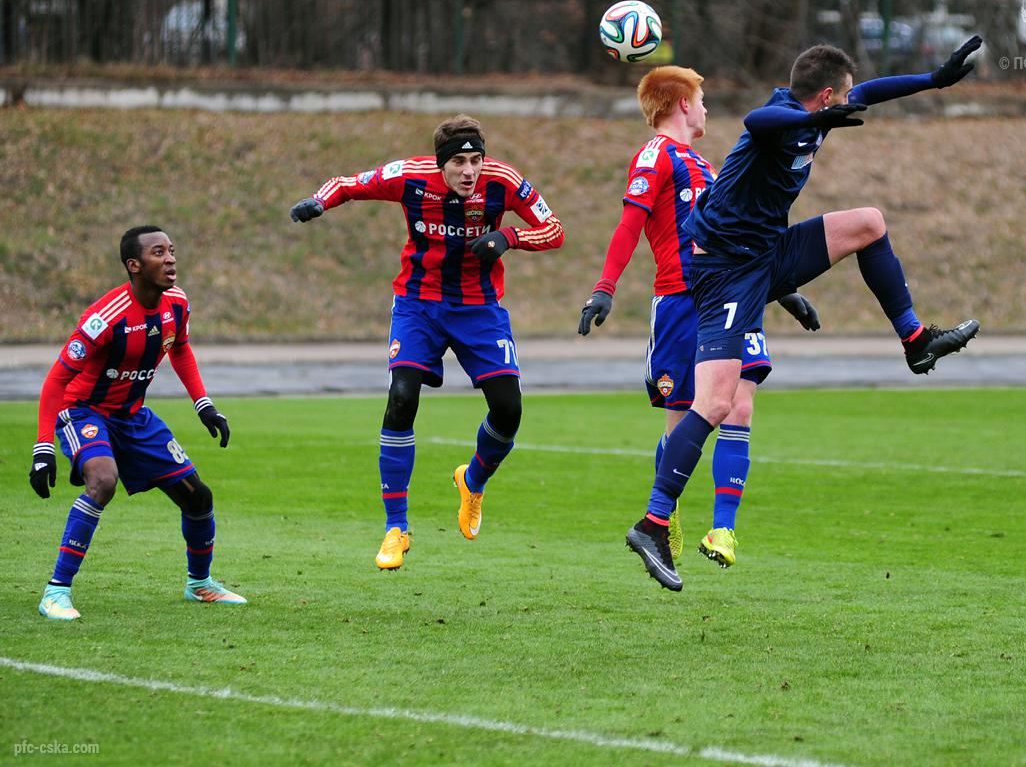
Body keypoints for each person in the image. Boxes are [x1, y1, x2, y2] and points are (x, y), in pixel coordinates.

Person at [626, 38, 985, 591]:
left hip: (767, 254)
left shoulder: (823, 108)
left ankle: (915, 340)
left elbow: (871, 91)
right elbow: (758, 120)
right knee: (717, 402)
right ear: (825, 96)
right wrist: (817, 119)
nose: (851, 101)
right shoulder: (781, 117)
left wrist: (934, 79)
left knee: (868, 223)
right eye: (843, 97)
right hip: (724, 269)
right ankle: (653, 523)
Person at [290, 114, 565, 570]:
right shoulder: (410, 177)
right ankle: (396, 528)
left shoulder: (503, 181)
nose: (469, 171)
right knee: (401, 397)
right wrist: (319, 202)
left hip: (479, 308)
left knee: (509, 410)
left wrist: (509, 236)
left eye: (476, 161)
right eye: (459, 163)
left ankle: (472, 481)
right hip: (418, 304)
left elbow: (554, 230)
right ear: (441, 164)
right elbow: (348, 184)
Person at [578, 66, 821, 562]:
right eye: (702, 100)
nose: (707, 108)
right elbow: (630, 224)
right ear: (684, 104)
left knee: (740, 405)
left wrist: (783, 289)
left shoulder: (706, 166)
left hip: (733, 293)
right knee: (683, 421)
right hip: (680, 300)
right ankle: (663, 517)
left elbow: (743, 237)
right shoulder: (656, 156)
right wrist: (604, 288)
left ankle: (723, 530)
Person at [29, 226, 245, 620]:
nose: (170, 259)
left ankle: (199, 584)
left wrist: (204, 405)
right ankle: (55, 592)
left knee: (198, 497)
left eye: (172, 250)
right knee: (103, 480)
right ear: (135, 265)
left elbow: (180, 348)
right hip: (84, 411)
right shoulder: (104, 317)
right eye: (158, 252)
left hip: (133, 416)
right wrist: (43, 448)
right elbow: (56, 381)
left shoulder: (177, 304)